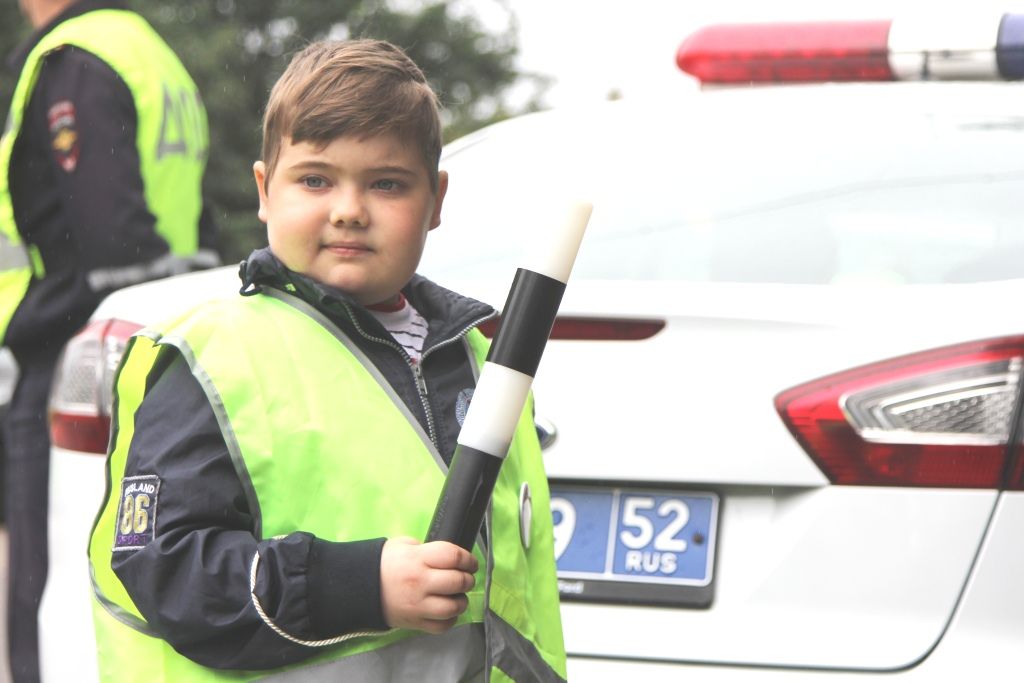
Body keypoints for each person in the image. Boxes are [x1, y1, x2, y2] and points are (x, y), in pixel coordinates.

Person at [87, 38, 566, 681]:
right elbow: (169, 571)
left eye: (387, 184)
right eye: (315, 179)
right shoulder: (214, 359)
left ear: (436, 201)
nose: (348, 211)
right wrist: (361, 586)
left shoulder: (479, 361)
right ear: (264, 190)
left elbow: (518, 601)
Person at [1, 0, 218, 680]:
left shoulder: (76, 61)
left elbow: (106, 236)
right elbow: (194, 224)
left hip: (72, 358)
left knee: (49, 576)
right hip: (155, 340)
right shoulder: (152, 53)